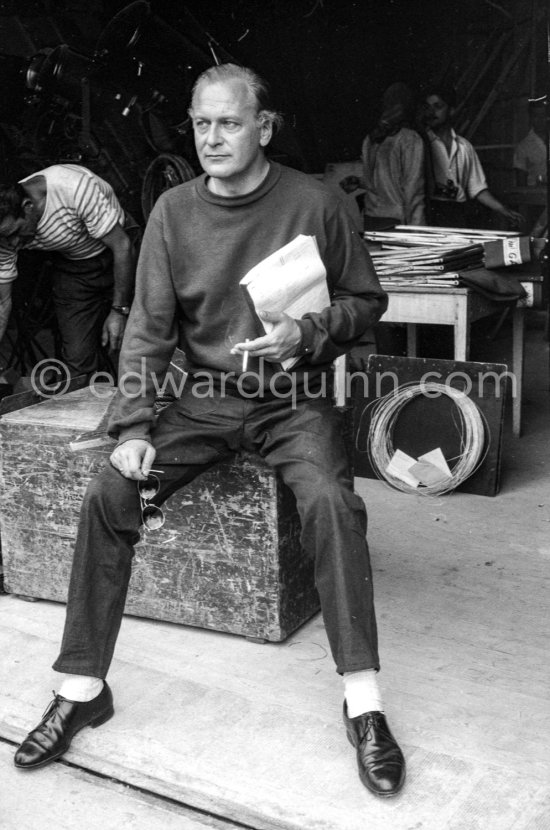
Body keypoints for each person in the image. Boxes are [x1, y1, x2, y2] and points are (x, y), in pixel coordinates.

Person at [13, 63, 406, 798]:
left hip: (291, 400)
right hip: (198, 402)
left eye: (229, 122)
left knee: (329, 499)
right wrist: (132, 424)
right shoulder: (171, 211)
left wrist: (310, 330)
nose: (213, 137)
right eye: (201, 123)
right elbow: (150, 330)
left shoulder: (316, 203)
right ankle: (81, 689)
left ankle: (365, 703)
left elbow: (366, 300)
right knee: (110, 490)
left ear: (264, 126)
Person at [0, 164, 137, 378]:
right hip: (75, 267)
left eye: (17, 232)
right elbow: (2, 301)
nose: (14, 243)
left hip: (121, 252)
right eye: (7, 238)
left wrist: (119, 310)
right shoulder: (5, 237)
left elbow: (122, 246)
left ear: (28, 206)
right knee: (78, 361)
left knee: (149, 339)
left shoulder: (71, 187)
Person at [421, 85, 523, 228]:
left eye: (438, 106)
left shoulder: (464, 146)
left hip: (458, 214)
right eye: (427, 107)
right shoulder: (421, 143)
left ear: (451, 110)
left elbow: (477, 188)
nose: (431, 112)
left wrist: (502, 209)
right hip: (432, 213)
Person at [340, 82, 426, 229]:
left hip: (372, 217)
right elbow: (413, 189)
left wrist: (360, 182)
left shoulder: (372, 139)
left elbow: (374, 183)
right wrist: (418, 230)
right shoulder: (410, 139)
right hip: (397, 220)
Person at [513, 101, 547, 188]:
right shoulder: (523, 147)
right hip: (537, 195)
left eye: (543, 115)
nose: (540, 119)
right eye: (536, 116)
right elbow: (521, 183)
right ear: (531, 118)